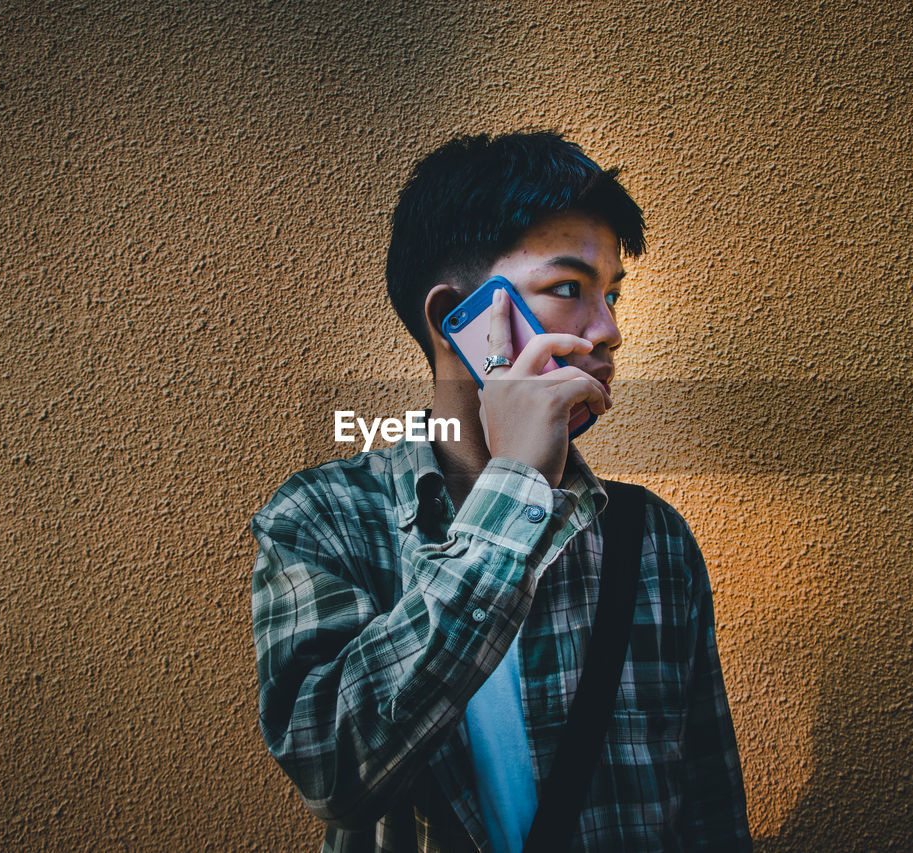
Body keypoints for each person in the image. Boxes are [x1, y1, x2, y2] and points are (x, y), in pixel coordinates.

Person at [250, 132, 751, 851]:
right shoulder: (324, 520)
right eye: (570, 288)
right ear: (459, 317)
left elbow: (710, 811)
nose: (609, 330)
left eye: (612, 295)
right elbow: (333, 773)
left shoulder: (654, 539)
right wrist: (514, 488)